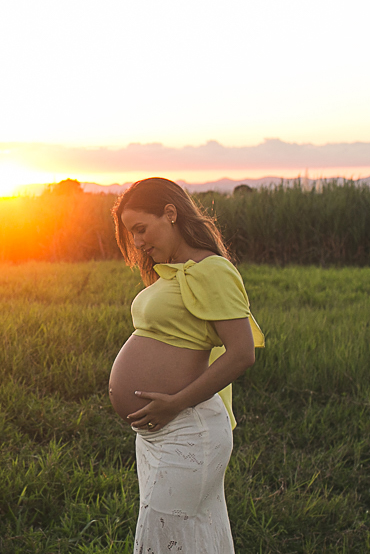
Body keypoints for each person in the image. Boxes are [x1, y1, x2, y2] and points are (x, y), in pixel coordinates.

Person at [108, 177, 264, 553]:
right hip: (160, 432)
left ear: (171, 213)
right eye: (132, 235)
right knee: (185, 536)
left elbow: (242, 352)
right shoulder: (174, 270)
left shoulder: (212, 270)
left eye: (141, 229)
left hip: (188, 427)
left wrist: (177, 403)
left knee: (165, 538)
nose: (138, 243)